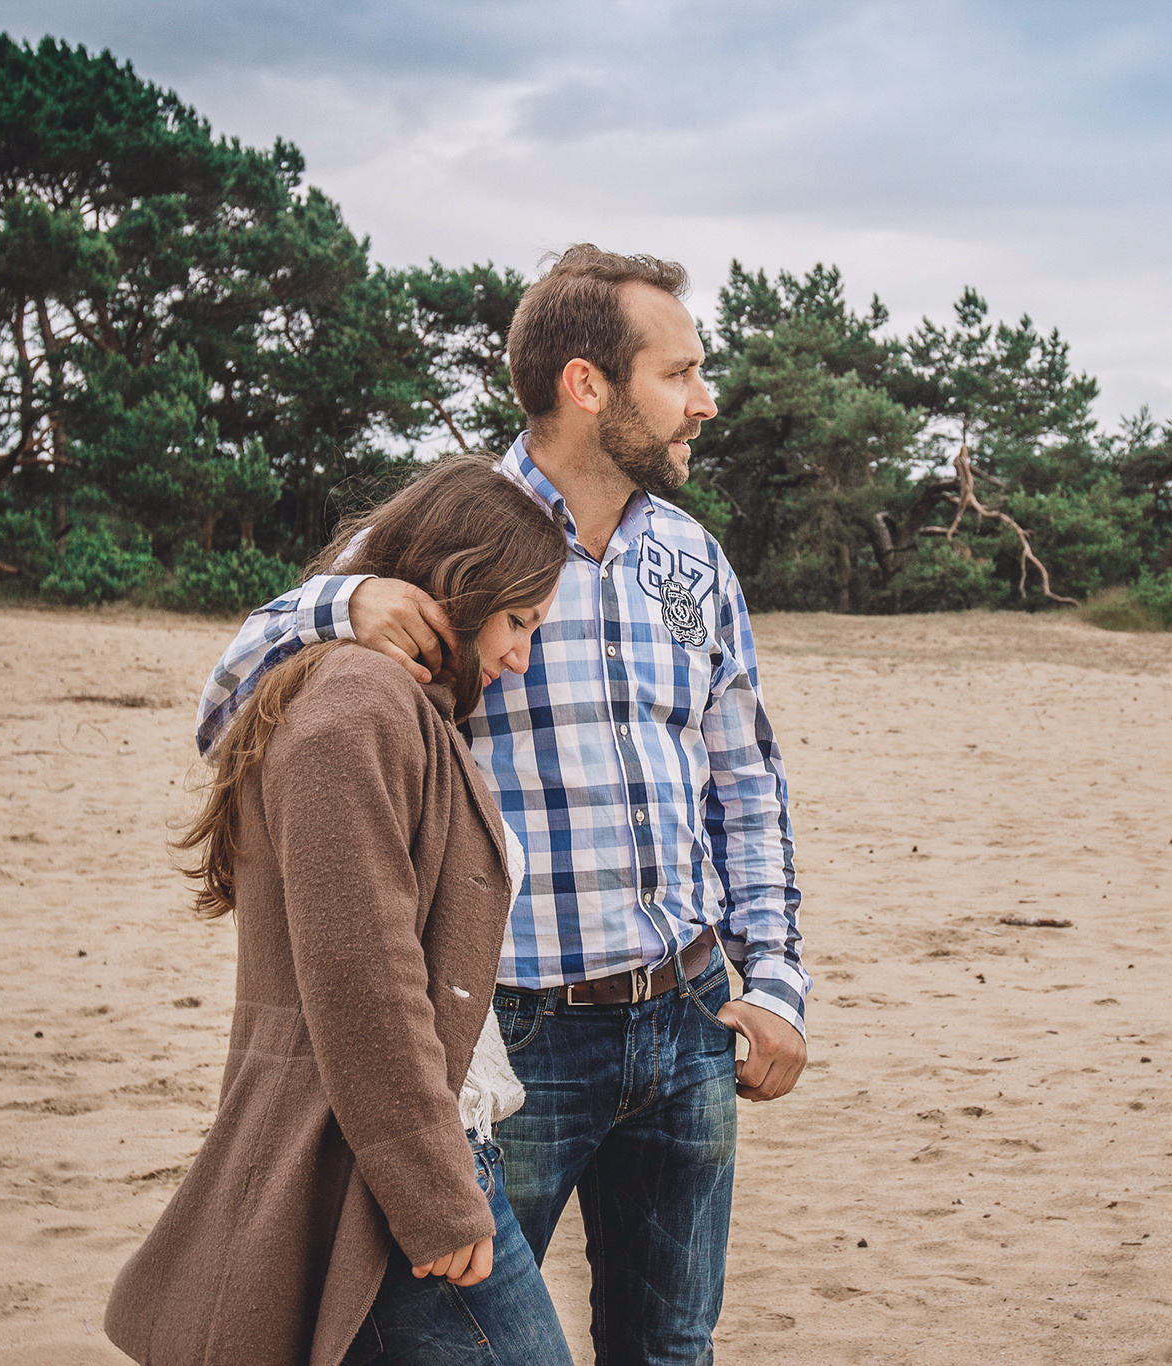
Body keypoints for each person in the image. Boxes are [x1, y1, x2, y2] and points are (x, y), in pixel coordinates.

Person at [194, 245, 810, 1364]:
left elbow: (746, 784)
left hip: (686, 1019)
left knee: (671, 1347)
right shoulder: (440, 535)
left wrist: (772, 981)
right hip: (509, 1032)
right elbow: (227, 712)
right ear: (589, 385)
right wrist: (341, 601)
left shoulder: (693, 560)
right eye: (679, 374)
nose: (703, 402)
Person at [105, 456, 576, 1366]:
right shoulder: (357, 706)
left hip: (397, 1149)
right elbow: (366, 979)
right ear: (458, 588)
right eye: (517, 622)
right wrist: (436, 1195)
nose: (520, 654)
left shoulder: (394, 703)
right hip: (381, 1166)